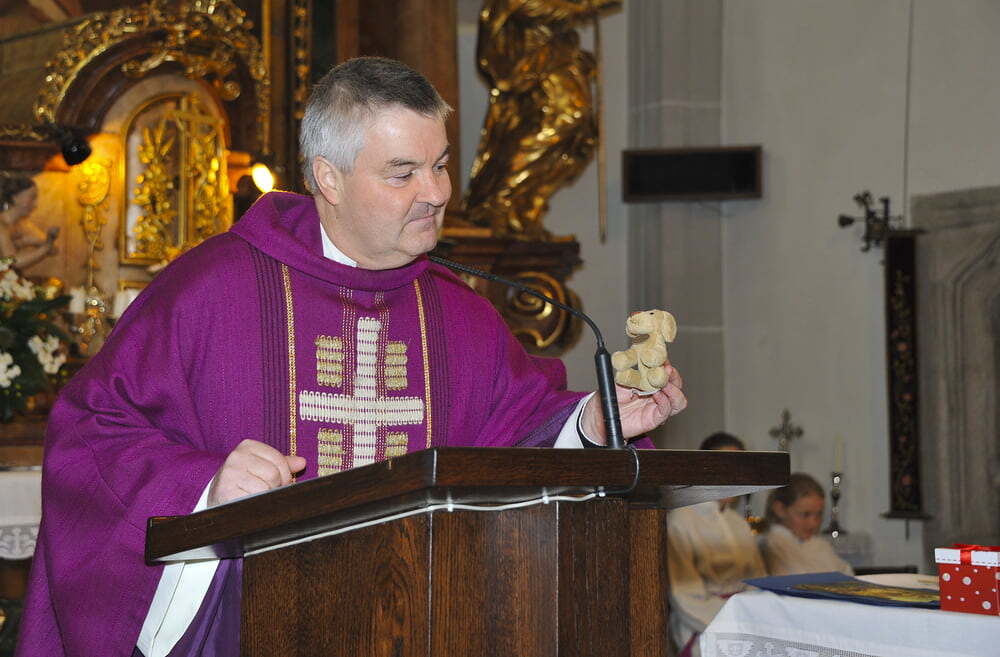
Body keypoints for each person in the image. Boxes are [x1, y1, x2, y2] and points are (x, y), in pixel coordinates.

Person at [17, 56, 686, 657]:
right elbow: (91, 434)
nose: (436, 192)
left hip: (432, 623)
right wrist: (204, 486)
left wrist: (594, 423)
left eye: (440, 164)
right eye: (403, 173)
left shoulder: (461, 313)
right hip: (253, 627)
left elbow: (520, 426)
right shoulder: (211, 290)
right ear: (327, 178)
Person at [666, 432, 766, 657]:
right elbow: (683, 594)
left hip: (745, 623)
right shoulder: (682, 519)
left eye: (738, 469)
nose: (734, 477)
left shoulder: (738, 523)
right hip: (701, 627)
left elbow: (757, 580)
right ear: (704, 469)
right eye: (725, 468)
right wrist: (735, 625)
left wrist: (753, 620)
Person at [758, 472, 853, 576]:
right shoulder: (769, 547)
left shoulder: (820, 546)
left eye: (819, 514)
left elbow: (846, 574)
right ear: (780, 509)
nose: (813, 523)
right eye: (805, 514)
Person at [0, 173, 59, 272]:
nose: (35, 205)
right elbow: (12, 262)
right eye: (32, 198)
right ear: (15, 198)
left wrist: (33, 241)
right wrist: (46, 246)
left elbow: (54, 250)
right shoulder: (2, 226)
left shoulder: (22, 224)